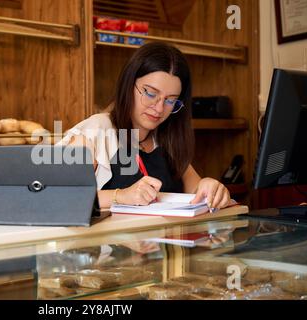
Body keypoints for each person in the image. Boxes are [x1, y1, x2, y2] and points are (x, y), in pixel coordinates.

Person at [61, 41, 231, 210]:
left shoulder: (166, 139)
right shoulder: (95, 131)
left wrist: (210, 187)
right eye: (150, 93)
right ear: (128, 84)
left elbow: (197, 192)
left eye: (170, 100)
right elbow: (59, 197)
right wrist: (121, 196)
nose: (159, 108)